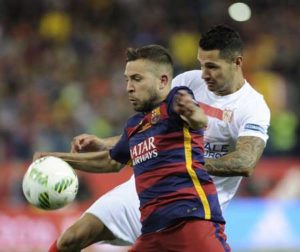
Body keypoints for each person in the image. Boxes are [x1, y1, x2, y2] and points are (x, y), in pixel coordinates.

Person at [47, 24, 270, 251]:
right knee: (71, 238)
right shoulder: (190, 82)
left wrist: (182, 163)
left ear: (237, 63)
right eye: (202, 65)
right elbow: (151, 129)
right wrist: (105, 142)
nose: (204, 74)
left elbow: (245, 162)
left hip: (194, 205)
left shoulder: (253, 107)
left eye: (212, 67)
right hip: (144, 192)